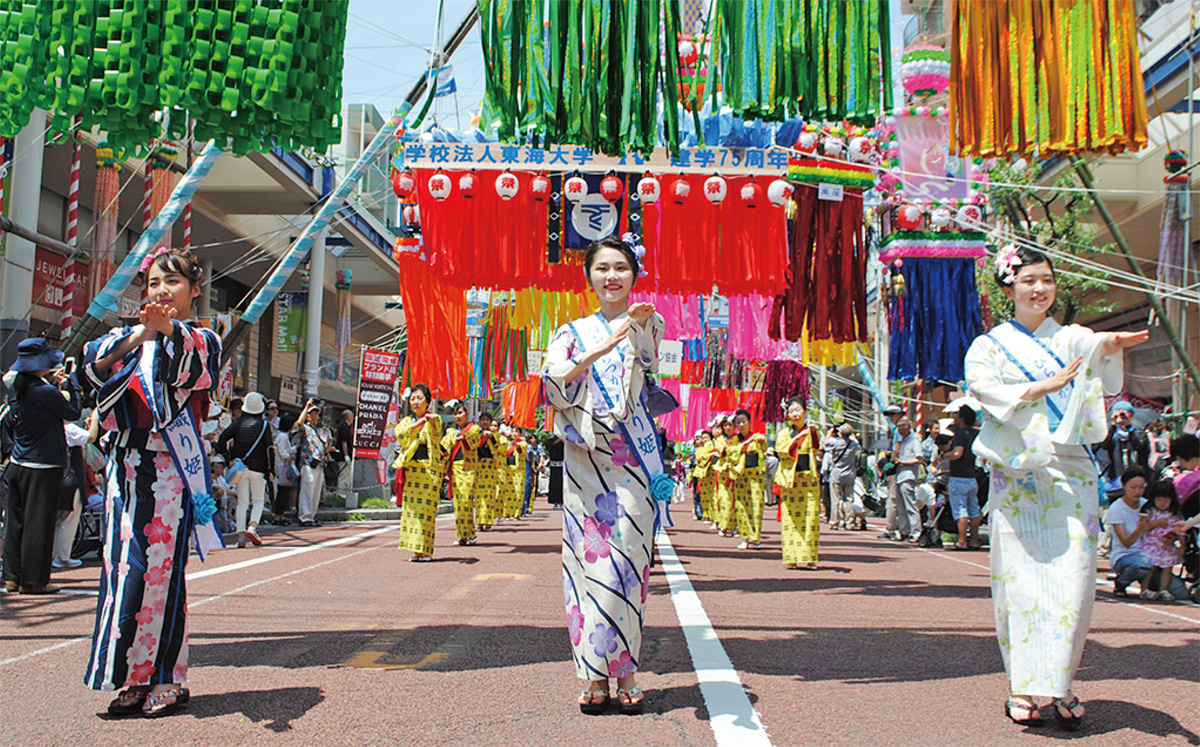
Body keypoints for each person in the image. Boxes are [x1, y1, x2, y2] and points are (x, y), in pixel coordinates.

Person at [964, 244, 1148, 728]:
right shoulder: (990, 345)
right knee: (1018, 581)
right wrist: (1036, 389)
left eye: (1046, 279)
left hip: (1073, 471)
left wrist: (1110, 346)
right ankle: (1023, 686)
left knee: (1075, 581)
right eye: (1028, 280)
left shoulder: (1071, 337)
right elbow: (982, 389)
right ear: (1010, 286)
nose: (1039, 288)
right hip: (1019, 474)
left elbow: (1095, 355)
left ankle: (1061, 682)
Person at [82, 247, 221, 717]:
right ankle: (131, 678)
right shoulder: (129, 337)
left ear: (194, 290)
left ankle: (167, 677)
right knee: (125, 573)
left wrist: (165, 333)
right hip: (126, 469)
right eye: (156, 283)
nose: (163, 291)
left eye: (174, 283)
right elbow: (91, 363)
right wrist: (144, 333)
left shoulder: (201, 338)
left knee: (160, 575)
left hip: (168, 473)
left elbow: (194, 370)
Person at [544, 235, 665, 715]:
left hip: (632, 459)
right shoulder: (569, 332)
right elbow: (554, 385)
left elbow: (650, 361)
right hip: (585, 461)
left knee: (628, 563)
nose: (611, 276)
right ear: (589, 276)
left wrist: (631, 332)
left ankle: (627, 670)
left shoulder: (647, 319)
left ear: (634, 275)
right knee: (586, 565)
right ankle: (593, 675)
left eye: (621, 268)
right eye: (602, 268)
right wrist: (600, 349)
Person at [2, 338, 83, 594]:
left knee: (17, 521)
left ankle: (12, 576)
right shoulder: (45, 391)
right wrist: (74, 385)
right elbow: (73, 413)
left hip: (18, 462)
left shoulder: (17, 387)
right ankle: (34, 580)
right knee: (40, 522)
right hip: (43, 464)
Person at [218, 391, 274, 548]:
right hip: (259, 468)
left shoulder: (238, 423)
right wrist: (271, 470)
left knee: (242, 502)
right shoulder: (264, 425)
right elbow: (269, 449)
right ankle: (253, 526)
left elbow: (222, 439)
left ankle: (241, 536)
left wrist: (228, 458)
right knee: (258, 500)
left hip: (240, 467)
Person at [394, 384, 442, 562]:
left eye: (420, 398)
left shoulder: (434, 418)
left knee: (426, 512)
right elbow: (400, 434)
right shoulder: (407, 421)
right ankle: (415, 550)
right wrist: (416, 425)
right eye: (413, 398)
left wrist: (422, 423)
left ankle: (426, 550)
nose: (415, 402)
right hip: (412, 471)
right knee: (412, 512)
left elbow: (435, 430)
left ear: (428, 402)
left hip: (428, 472)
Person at [775, 398, 822, 570]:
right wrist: (797, 439)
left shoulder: (812, 430)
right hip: (790, 481)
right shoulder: (784, 433)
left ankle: (810, 558)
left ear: (805, 411)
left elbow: (818, 449)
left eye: (798, 410)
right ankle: (791, 557)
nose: (795, 414)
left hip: (808, 481)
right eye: (791, 411)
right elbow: (781, 451)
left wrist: (812, 434)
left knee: (810, 519)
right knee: (790, 521)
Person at [51, 410, 98, 569]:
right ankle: (63, 557)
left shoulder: (49, 427)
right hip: (71, 479)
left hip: (56, 478)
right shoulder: (68, 428)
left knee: (56, 521)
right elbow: (90, 437)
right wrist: (94, 421)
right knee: (69, 520)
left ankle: (51, 556)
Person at [441, 401, 480, 546]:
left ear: (467, 414)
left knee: (466, 501)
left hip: (468, 468)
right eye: (455, 414)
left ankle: (470, 533)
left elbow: (474, 441)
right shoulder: (451, 432)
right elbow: (445, 446)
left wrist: (463, 438)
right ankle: (462, 535)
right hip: (455, 470)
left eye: (460, 413)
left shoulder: (473, 429)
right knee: (458, 504)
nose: (458, 416)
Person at [1139, 480, 1187, 601]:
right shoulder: (1149, 511)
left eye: (1166, 500)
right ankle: (1144, 589)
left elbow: (1181, 531)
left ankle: (1163, 590)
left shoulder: (1174, 514)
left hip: (1167, 546)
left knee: (1167, 568)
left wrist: (1182, 546)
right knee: (1150, 567)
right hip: (1151, 544)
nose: (1162, 503)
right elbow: (1143, 527)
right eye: (1159, 499)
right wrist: (1157, 523)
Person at [943, 405, 982, 551]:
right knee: (974, 510)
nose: (955, 417)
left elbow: (957, 453)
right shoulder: (976, 433)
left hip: (959, 477)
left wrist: (945, 456)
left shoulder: (960, 434)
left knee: (961, 510)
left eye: (957, 415)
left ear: (962, 418)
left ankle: (962, 541)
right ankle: (974, 540)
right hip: (972, 476)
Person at [1096, 401, 1150, 501]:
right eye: (1118, 414)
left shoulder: (1138, 432)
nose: (1121, 417)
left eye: (1124, 414)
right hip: (1116, 477)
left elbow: (1138, 446)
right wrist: (1113, 425)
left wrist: (1128, 427)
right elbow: (1104, 445)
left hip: (1136, 477)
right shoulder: (1112, 434)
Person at [730, 409, 766, 550]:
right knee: (742, 507)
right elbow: (731, 455)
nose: (741, 425)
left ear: (750, 422)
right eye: (738, 422)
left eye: (744, 421)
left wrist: (760, 442)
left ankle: (755, 538)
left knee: (756, 507)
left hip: (755, 477)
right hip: (741, 476)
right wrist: (745, 444)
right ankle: (744, 537)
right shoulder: (734, 440)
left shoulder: (757, 437)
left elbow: (764, 449)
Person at [295, 399, 330, 527]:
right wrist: (306, 408)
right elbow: (299, 423)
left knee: (316, 491)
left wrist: (329, 445)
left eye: (316, 413)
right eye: (311, 414)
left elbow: (325, 447)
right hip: (308, 461)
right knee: (307, 489)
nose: (314, 416)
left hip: (319, 461)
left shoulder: (321, 430)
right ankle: (304, 516)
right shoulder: (305, 429)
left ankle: (312, 515)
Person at [823, 423, 859, 530]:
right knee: (849, 499)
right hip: (850, 474)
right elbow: (856, 441)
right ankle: (850, 522)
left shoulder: (835, 442)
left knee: (836, 500)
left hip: (837, 474)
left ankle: (835, 521)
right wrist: (850, 434)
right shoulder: (854, 444)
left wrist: (829, 433)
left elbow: (825, 445)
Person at [892, 419, 923, 543]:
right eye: (899, 426)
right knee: (900, 506)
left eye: (904, 426)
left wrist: (903, 462)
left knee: (910, 505)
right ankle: (904, 530)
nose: (901, 428)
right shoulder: (902, 441)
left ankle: (916, 531)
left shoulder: (914, 440)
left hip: (908, 475)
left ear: (910, 426)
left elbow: (919, 458)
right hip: (899, 475)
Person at [473, 412, 499, 530]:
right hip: (478, 466)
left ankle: (488, 522)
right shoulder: (475, 433)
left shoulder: (495, 435)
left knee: (489, 495)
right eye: (482, 420)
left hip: (490, 468)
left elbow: (500, 448)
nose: (484, 422)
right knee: (478, 496)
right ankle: (479, 521)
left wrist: (491, 437)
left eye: (487, 420)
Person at [712, 417, 738, 537]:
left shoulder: (738, 439)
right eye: (725, 425)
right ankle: (723, 525)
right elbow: (722, 450)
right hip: (723, 473)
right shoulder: (720, 440)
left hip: (736, 473)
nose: (728, 428)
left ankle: (733, 526)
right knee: (723, 500)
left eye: (730, 425)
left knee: (735, 501)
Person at [272, 413, 299, 525]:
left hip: (282, 465)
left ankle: (280, 515)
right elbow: (283, 453)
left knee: (283, 492)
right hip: (283, 466)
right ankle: (278, 516)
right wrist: (290, 456)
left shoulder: (282, 436)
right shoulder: (283, 437)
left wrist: (295, 448)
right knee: (283, 492)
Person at [692, 431, 717, 526]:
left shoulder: (710, 446)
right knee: (703, 496)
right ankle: (706, 515)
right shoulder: (700, 449)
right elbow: (698, 458)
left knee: (711, 496)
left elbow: (703, 458)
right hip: (701, 474)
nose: (705, 440)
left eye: (707, 437)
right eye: (703, 438)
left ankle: (712, 517)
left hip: (709, 473)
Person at [335, 409, 354, 495]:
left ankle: (345, 492)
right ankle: (341, 493)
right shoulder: (343, 427)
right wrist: (346, 455)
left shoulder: (347, 427)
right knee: (344, 475)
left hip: (348, 454)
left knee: (348, 475)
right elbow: (344, 442)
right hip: (343, 456)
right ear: (349, 417)